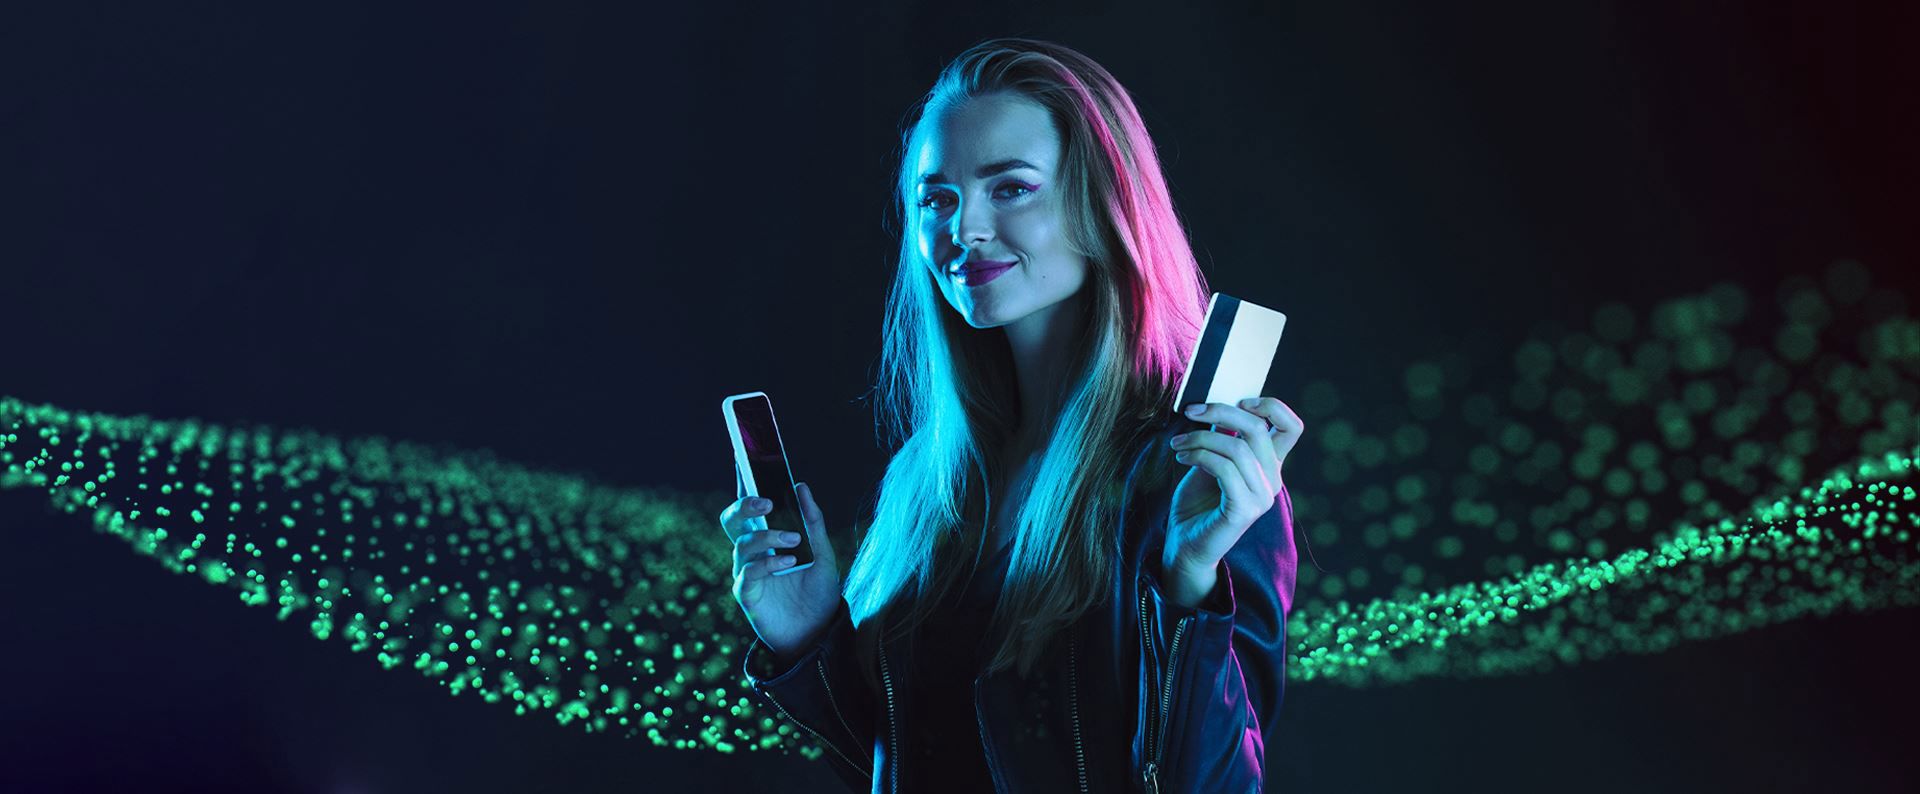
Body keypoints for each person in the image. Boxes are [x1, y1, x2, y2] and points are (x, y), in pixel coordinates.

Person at [718, 37, 1303, 793]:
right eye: (937, 198)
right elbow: (912, 760)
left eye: (1011, 188)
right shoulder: (926, 478)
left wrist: (1190, 582)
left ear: (1104, 203)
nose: (965, 229)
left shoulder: (1195, 476)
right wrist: (808, 640)